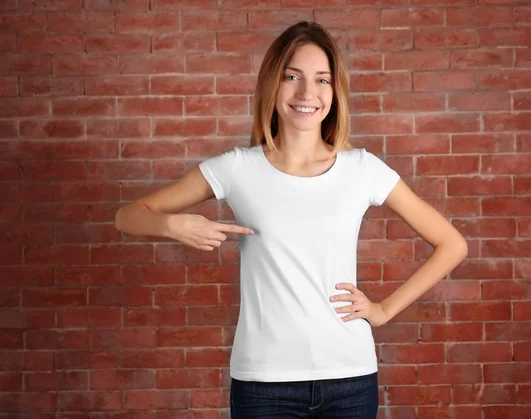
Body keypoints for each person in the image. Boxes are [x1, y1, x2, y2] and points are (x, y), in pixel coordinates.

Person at [115, 21, 468, 419]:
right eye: (292, 77)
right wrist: (173, 225)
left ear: (334, 93)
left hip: (350, 379)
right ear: (272, 84)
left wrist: (384, 310)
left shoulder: (362, 169)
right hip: (263, 385)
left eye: (322, 79)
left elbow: (452, 244)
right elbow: (127, 216)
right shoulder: (237, 168)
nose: (306, 93)